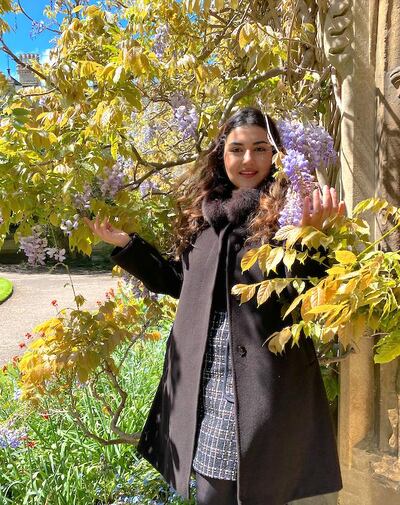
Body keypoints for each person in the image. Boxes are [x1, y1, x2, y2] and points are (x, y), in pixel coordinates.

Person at [85, 107, 345, 505]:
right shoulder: (206, 218)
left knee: (249, 491)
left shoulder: (291, 214)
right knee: (212, 493)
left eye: (260, 148)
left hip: (260, 383)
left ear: (276, 155)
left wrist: (312, 239)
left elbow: (312, 292)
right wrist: (128, 246)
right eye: (236, 149)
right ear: (221, 155)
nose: (247, 159)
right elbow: (180, 282)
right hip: (204, 378)